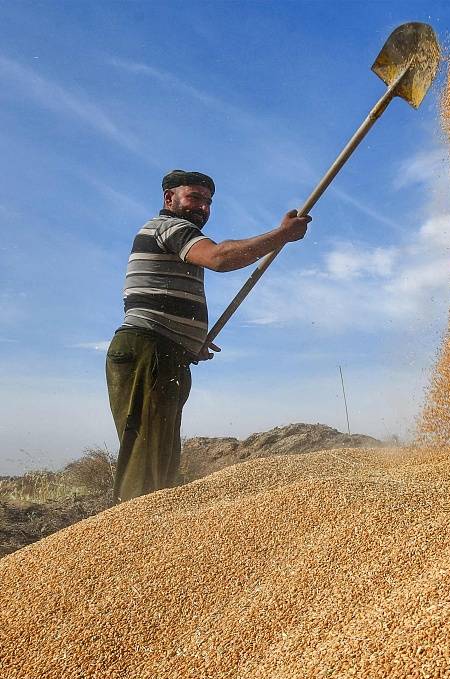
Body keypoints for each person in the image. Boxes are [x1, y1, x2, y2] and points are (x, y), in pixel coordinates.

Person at [105, 169, 311, 503]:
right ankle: (133, 540)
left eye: (208, 202)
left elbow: (159, 296)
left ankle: (153, 533)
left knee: (160, 459)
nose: (203, 208)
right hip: (149, 351)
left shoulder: (174, 234)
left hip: (165, 352)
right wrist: (281, 236)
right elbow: (219, 257)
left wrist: (190, 338)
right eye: (195, 198)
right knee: (146, 464)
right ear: (169, 198)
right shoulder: (170, 227)